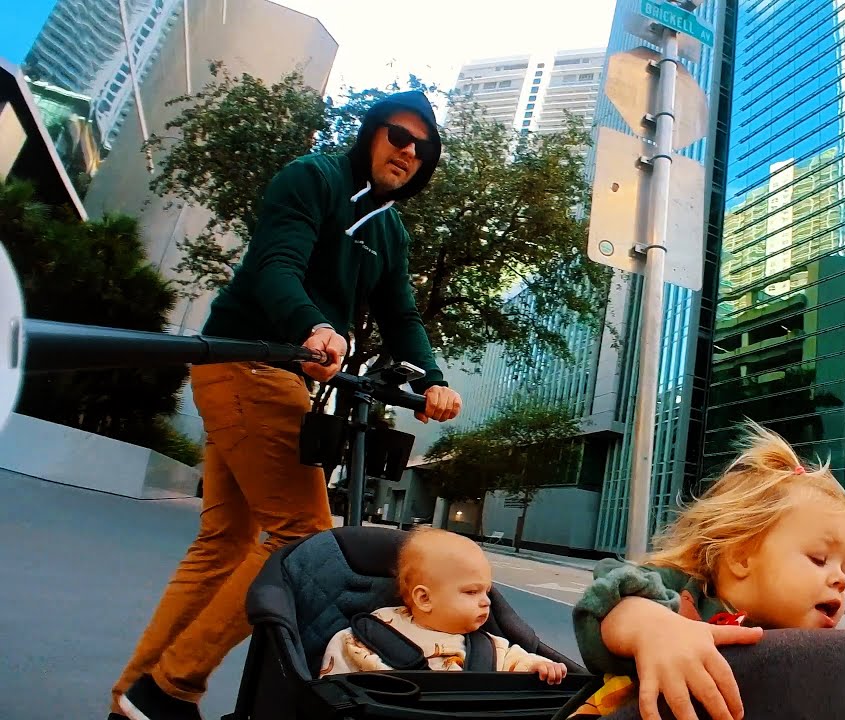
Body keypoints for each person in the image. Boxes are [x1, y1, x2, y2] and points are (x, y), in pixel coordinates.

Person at [111, 90, 463, 720]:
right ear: (370, 134)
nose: (407, 152)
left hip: (277, 379)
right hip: (249, 363)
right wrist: (313, 326)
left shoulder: (390, 230)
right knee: (303, 536)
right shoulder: (314, 178)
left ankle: (135, 699)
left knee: (224, 541)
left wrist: (431, 379)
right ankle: (168, 686)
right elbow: (277, 265)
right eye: (396, 135)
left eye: (422, 146)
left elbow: (401, 313)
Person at [567, 421, 845, 720]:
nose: (841, 579)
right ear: (742, 557)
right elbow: (609, 602)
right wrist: (652, 627)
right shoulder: (682, 588)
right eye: (819, 559)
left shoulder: (807, 651)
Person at [317, 527, 569, 682]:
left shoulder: (492, 646)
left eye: (487, 592)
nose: (486, 601)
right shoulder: (373, 630)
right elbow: (338, 673)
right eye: (471, 592)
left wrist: (541, 665)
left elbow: (519, 661)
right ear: (424, 598)